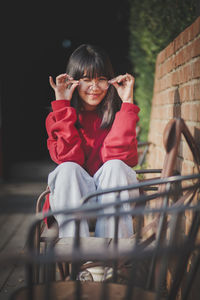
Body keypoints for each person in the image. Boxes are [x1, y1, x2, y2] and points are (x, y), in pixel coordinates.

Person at [44, 44, 140, 239]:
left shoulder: (120, 116)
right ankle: (79, 261)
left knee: (115, 166)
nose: (94, 87)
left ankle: (111, 261)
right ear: (73, 81)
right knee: (68, 168)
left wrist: (128, 102)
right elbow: (68, 157)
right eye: (86, 80)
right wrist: (62, 105)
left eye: (101, 79)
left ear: (110, 81)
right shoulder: (58, 117)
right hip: (73, 199)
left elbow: (118, 157)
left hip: (113, 197)